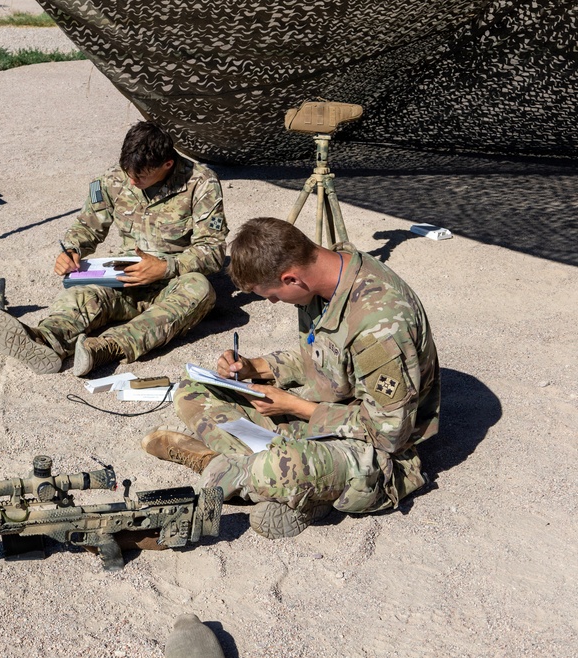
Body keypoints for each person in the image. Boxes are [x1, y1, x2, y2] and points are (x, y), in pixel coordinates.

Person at [142, 217, 440, 539]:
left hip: (376, 453)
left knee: (281, 466)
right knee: (192, 391)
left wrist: (296, 407)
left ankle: (238, 468)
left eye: (272, 295)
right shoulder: (326, 277)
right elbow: (324, 357)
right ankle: (276, 479)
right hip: (325, 414)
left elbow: (390, 433)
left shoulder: (379, 325)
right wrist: (257, 367)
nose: (273, 302)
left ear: (292, 279)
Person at [0, 121, 228, 376]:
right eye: (128, 173)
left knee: (200, 289)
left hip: (173, 283)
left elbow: (213, 249)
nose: (131, 182)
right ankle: (45, 340)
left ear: (167, 164)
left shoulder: (201, 183)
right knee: (83, 293)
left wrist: (167, 267)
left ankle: (105, 348)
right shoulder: (113, 179)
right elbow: (88, 226)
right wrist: (73, 249)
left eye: (140, 176)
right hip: (124, 278)